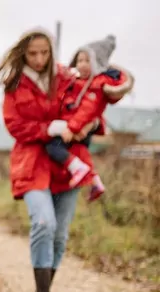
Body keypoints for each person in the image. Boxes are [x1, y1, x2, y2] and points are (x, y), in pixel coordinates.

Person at [0, 29, 132, 292]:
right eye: (33, 53)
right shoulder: (14, 83)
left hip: (68, 162)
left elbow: (96, 92)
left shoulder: (66, 75)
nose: (39, 59)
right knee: (44, 222)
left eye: (44, 52)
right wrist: (50, 128)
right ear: (23, 53)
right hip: (32, 162)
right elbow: (15, 126)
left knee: (60, 234)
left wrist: (96, 120)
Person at [44, 34, 134, 202]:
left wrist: (72, 128)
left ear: (97, 63)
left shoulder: (95, 85)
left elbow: (87, 110)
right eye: (79, 60)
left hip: (75, 127)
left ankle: (77, 169)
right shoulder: (76, 82)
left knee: (53, 147)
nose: (82, 65)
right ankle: (95, 182)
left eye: (87, 60)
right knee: (81, 153)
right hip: (75, 127)